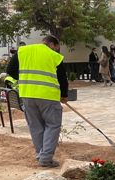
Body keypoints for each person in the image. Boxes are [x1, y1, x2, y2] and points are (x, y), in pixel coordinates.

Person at [6, 35, 69, 167]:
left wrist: (26, 78)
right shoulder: (54, 56)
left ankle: (41, 155)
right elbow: (62, 78)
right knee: (52, 125)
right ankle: (45, 158)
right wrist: (64, 95)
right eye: (56, 48)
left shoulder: (23, 51)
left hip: (27, 94)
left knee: (35, 126)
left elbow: (10, 70)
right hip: (48, 96)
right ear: (52, 44)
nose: (56, 50)